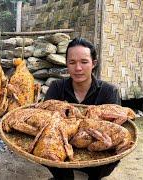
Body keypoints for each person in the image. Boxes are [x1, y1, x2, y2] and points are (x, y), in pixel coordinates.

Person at [44, 37, 121, 180]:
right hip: (62, 144)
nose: (78, 68)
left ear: (94, 63)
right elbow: (45, 121)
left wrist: (110, 144)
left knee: (113, 155)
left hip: (96, 147)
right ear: (66, 63)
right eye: (72, 62)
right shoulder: (56, 87)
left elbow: (116, 128)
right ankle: (64, 177)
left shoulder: (109, 92)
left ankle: (94, 177)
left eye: (84, 62)